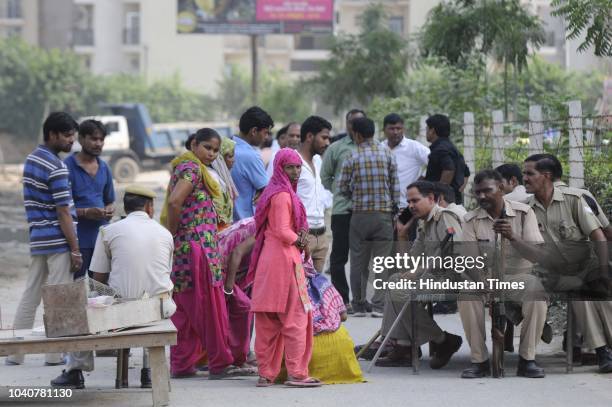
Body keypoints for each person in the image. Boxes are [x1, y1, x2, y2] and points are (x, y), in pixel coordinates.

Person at [50, 185, 176, 388]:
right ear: (149, 208)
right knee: (150, 290)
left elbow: (98, 279)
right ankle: (148, 371)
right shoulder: (165, 234)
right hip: (160, 307)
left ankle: (76, 370)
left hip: (124, 309)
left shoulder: (109, 231)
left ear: (125, 209)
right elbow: (161, 275)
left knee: (81, 293)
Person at [162, 129, 250, 379]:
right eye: (207, 148)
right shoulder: (192, 168)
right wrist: (174, 232)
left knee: (186, 307)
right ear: (194, 144)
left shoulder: (188, 166)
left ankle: (181, 363)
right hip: (197, 247)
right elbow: (174, 202)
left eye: (214, 150)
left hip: (189, 248)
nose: (212, 154)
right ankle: (219, 363)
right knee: (210, 307)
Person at [523, 153, 612, 373]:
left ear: (546, 176)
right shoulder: (525, 210)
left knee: (592, 290)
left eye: (529, 173)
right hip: (550, 274)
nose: (524, 177)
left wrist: (603, 271)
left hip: (583, 267)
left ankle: (602, 350)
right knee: (580, 289)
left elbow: (599, 236)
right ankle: (602, 352)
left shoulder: (575, 199)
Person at [6, 112, 81, 367]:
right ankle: (54, 354)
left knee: (31, 294)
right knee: (60, 296)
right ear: (52, 135)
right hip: (58, 240)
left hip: (38, 238)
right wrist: (75, 249)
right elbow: (63, 211)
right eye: (68, 135)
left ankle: (15, 353)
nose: (72, 141)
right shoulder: (57, 167)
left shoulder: (31, 159)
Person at [458, 170, 547, 379]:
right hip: (485, 278)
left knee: (535, 290)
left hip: (516, 278)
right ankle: (479, 361)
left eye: (487, 191)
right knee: (467, 292)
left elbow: (536, 256)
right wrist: (481, 281)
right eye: (477, 192)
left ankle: (527, 360)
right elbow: (470, 260)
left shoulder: (524, 213)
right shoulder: (471, 220)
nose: (481, 197)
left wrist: (513, 236)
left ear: (500, 188)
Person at [249, 148, 320, 388]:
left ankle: (266, 373)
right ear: (280, 167)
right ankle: (297, 373)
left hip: (268, 263)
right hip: (285, 261)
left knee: (267, 321)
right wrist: (301, 241)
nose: (296, 171)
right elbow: (281, 230)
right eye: (290, 167)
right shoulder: (282, 195)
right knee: (296, 318)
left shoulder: (273, 192)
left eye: (298, 167)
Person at [374, 181, 463, 369]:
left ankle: (437, 340)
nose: (411, 206)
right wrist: (402, 235)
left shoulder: (447, 217)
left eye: (415, 200)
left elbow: (461, 256)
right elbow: (407, 265)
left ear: (431, 198)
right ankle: (406, 344)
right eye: (408, 202)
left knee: (397, 286)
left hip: (456, 279)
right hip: (435, 278)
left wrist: (418, 271)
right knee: (396, 281)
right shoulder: (426, 224)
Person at [337, 117, 399, 317]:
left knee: (357, 262)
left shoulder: (352, 157)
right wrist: (393, 210)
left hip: (360, 216)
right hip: (383, 215)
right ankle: (379, 305)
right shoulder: (387, 154)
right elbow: (395, 187)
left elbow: (342, 188)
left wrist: (356, 197)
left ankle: (359, 304)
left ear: (357, 134)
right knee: (382, 262)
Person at [321, 109, 366, 310]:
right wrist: (340, 193)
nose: (355, 126)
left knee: (364, 257)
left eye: (359, 122)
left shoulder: (374, 148)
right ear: (346, 124)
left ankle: (361, 300)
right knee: (339, 257)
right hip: (342, 211)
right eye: (352, 122)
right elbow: (325, 176)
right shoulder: (336, 148)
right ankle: (342, 300)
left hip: (366, 211)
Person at [64, 119, 115, 278]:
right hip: (76, 242)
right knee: (74, 288)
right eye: (94, 139)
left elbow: (110, 200)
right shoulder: (66, 167)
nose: (98, 143)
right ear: (81, 139)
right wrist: (86, 212)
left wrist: (109, 209)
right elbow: (60, 209)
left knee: (101, 291)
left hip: (101, 240)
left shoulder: (105, 167)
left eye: (101, 140)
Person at [296, 116, 332, 273]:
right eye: (324, 137)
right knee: (301, 292)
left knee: (317, 292)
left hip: (321, 236)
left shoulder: (318, 161)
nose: (327, 142)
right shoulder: (292, 162)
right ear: (310, 136)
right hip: (303, 236)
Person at [231, 106, 274, 221]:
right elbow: (268, 191)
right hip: (245, 225)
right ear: (254, 131)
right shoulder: (250, 155)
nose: (266, 137)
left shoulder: (225, 148)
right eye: (265, 133)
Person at [381, 113, 430, 211]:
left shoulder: (414, 147)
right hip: (383, 207)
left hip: (408, 206)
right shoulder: (380, 148)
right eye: (391, 128)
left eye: (398, 128)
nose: (395, 132)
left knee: (407, 226)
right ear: (384, 130)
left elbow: (435, 161)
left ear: (403, 129)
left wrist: (423, 178)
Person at [424, 114, 467, 204]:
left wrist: (438, 195)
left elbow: (449, 169)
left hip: (444, 202)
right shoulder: (452, 148)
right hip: (454, 199)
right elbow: (466, 172)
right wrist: (457, 190)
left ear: (432, 130)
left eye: (427, 129)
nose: (426, 132)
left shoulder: (440, 149)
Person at [210, 136, 239, 230]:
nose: (233, 160)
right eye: (230, 156)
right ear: (219, 158)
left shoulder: (222, 178)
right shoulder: (213, 178)